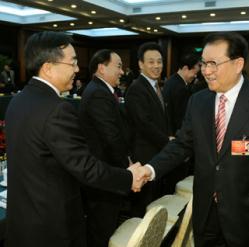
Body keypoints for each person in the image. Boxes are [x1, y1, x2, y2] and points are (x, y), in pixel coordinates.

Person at [137, 32, 249, 246]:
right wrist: (150, 169)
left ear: (238, 63)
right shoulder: (198, 101)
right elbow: (182, 144)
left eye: (213, 64)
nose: (206, 71)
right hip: (206, 211)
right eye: (203, 64)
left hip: (248, 214)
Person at [4, 31, 147, 247]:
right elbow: (85, 167)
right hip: (52, 227)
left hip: (23, 222)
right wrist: (129, 178)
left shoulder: (18, 101)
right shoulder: (57, 109)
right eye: (72, 63)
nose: (78, 70)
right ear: (48, 67)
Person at [79, 49, 132, 247]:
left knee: (105, 225)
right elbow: (111, 137)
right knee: (101, 228)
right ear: (102, 68)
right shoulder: (98, 94)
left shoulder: (102, 91)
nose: (122, 71)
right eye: (118, 66)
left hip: (106, 172)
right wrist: (127, 169)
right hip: (103, 176)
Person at [125, 42, 174, 216]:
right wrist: (167, 141)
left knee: (155, 205)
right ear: (140, 64)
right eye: (151, 62)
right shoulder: (136, 89)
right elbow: (144, 124)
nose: (157, 66)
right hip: (144, 155)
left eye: (159, 61)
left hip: (157, 154)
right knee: (143, 207)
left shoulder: (156, 86)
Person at [163, 52, 200, 134]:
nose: (195, 76)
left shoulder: (171, 81)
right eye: (195, 73)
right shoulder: (181, 88)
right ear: (186, 68)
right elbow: (181, 118)